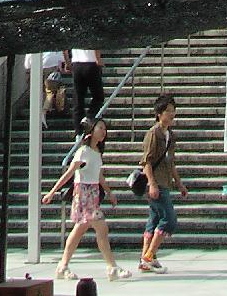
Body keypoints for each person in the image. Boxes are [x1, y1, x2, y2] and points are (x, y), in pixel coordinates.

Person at [42, 118, 131, 282]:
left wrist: (109, 192)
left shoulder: (96, 152)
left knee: (79, 231)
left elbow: (98, 174)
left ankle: (63, 266)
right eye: (100, 128)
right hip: (83, 194)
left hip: (93, 194)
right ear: (91, 130)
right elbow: (69, 173)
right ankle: (112, 267)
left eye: (105, 129)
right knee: (102, 229)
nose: (104, 131)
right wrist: (52, 192)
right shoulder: (83, 151)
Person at [138, 93, 188, 273]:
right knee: (169, 219)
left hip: (165, 181)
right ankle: (149, 256)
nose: (171, 114)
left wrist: (179, 183)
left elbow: (171, 162)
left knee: (154, 220)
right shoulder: (153, 134)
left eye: (173, 111)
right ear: (159, 113)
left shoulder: (170, 135)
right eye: (168, 111)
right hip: (156, 183)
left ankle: (146, 258)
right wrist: (151, 184)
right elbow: (146, 162)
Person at [66, 48, 106, 132]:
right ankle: (89, 116)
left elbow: (64, 49)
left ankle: (78, 130)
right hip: (90, 62)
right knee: (98, 96)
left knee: (78, 99)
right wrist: (98, 60)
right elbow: (95, 44)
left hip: (76, 64)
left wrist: (67, 63)